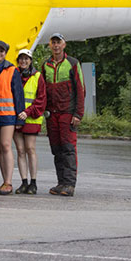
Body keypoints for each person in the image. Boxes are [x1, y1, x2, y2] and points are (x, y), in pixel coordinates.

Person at [43, 33, 85, 197]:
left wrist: (78, 114)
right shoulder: (45, 64)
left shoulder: (73, 63)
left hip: (68, 113)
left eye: (58, 42)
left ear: (64, 44)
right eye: (53, 42)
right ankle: (61, 182)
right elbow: (43, 90)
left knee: (68, 149)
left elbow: (80, 90)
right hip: (52, 115)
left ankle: (69, 184)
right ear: (50, 45)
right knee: (57, 149)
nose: (56, 45)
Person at [0, 40, 23, 195]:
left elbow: (18, 94)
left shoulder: (12, 70)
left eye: (1, 51)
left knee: (6, 146)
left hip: (8, 115)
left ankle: (8, 182)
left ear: (6, 53)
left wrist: (20, 118)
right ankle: (4, 181)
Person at [12, 48, 46, 195]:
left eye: (26, 59)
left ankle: (33, 182)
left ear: (30, 60)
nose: (23, 61)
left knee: (30, 149)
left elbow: (41, 99)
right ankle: (24, 181)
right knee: (20, 150)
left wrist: (28, 112)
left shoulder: (38, 76)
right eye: (21, 59)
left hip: (31, 118)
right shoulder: (14, 75)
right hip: (16, 118)